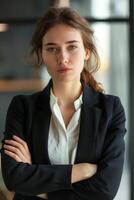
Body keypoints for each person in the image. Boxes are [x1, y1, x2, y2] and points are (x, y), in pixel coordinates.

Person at [1, 6, 126, 200]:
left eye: (72, 46)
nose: (63, 58)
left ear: (86, 52)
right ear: (42, 54)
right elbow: (14, 178)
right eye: (52, 48)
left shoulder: (110, 109)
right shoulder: (23, 108)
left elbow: (105, 190)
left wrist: (37, 181)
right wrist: (81, 171)